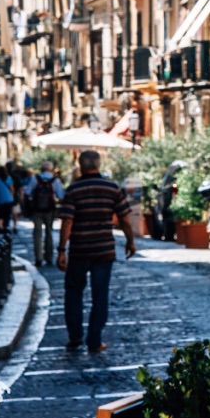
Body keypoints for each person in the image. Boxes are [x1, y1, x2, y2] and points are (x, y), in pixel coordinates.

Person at [56, 149, 136, 353]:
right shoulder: (112, 188)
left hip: (79, 250)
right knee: (100, 295)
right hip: (104, 250)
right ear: (98, 165)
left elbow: (67, 221)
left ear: (81, 166)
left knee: (74, 293)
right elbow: (125, 218)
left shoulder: (73, 190)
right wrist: (130, 241)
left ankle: (75, 337)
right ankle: (94, 340)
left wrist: (61, 250)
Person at [29, 161, 67, 267]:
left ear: (42, 168)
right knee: (49, 233)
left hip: (37, 210)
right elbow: (61, 196)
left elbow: (27, 192)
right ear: (51, 169)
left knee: (37, 234)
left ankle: (38, 258)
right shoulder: (55, 180)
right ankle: (49, 258)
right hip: (50, 210)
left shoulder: (35, 178)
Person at [0, 165, 15, 233]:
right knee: (7, 215)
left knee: (0, 214)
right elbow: (12, 189)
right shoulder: (8, 178)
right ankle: (6, 227)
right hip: (8, 199)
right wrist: (12, 197)